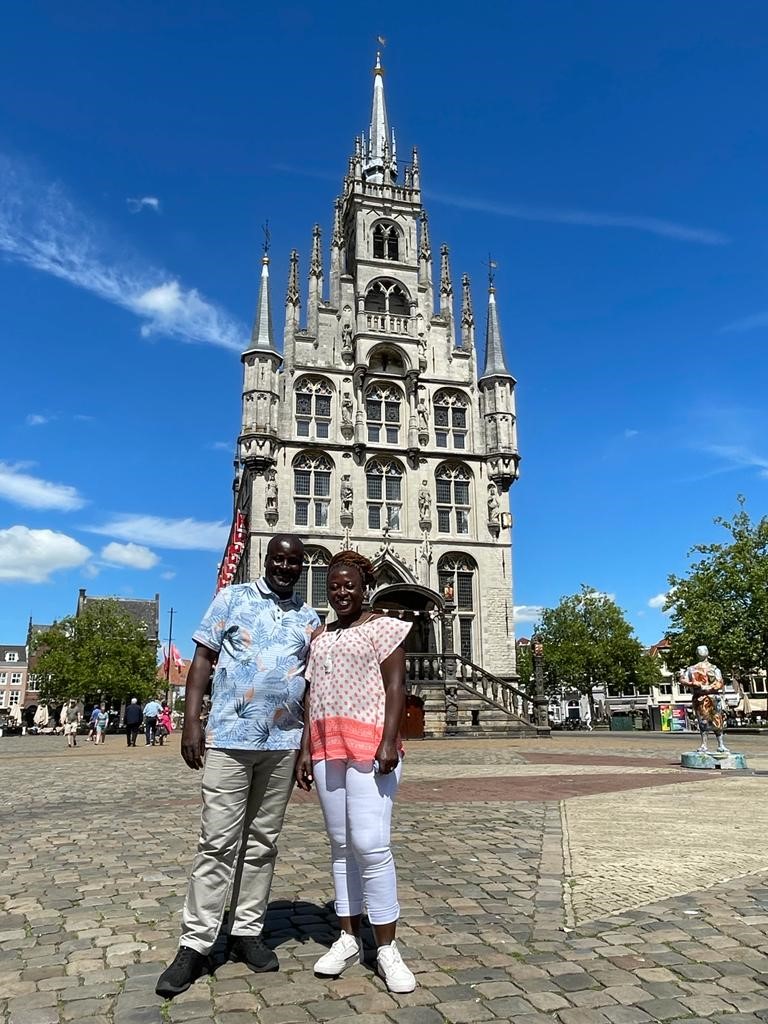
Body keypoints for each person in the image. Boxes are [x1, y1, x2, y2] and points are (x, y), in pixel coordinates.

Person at [155, 534, 320, 1000]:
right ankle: (195, 943)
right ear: (266, 559)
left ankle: (247, 930)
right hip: (229, 738)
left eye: (293, 561)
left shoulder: (309, 618)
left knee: (263, 842)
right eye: (278, 559)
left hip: (283, 743)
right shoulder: (232, 598)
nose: (285, 567)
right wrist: (191, 723)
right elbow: (203, 660)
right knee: (217, 842)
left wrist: (306, 746)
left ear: (302, 566)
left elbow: (312, 687)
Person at [296, 550, 416, 994]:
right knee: (341, 845)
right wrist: (305, 749)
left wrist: (389, 739)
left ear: (365, 588)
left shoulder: (384, 627)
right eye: (334, 586)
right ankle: (348, 937)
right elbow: (312, 696)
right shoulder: (320, 636)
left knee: (370, 844)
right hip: (327, 745)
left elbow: (395, 685)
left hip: (369, 745)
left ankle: (386, 947)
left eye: (349, 585)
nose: (341, 593)